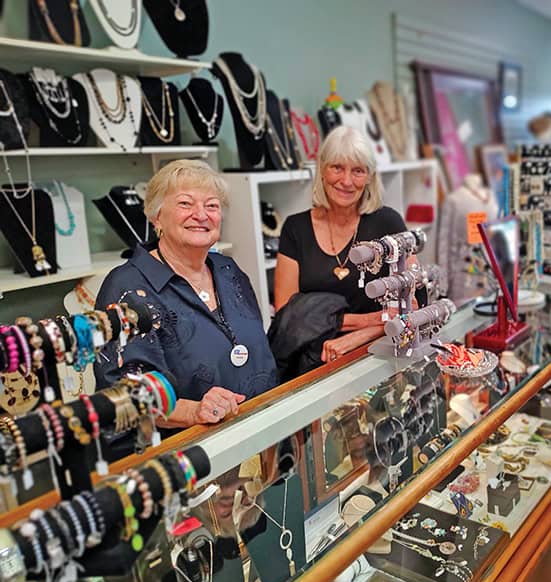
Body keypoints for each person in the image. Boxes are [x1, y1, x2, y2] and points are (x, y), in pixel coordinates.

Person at [95, 159, 278, 434]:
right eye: (185, 204)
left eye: (212, 205)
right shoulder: (127, 288)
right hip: (188, 453)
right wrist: (193, 411)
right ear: (157, 217)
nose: (201, 215)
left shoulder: (229, 272)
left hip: (260, 431)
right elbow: (124, 395)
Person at [274, 126, 413, 363]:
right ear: (322, 170)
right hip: (312, 358)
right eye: (337, 168)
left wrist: (357, 337)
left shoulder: (388, 223)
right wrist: (372, 319)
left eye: (357, 171)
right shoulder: (295, 228)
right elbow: (285, 312)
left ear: (370, 177)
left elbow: (412, 303)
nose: (346, 181)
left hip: (377, 352)